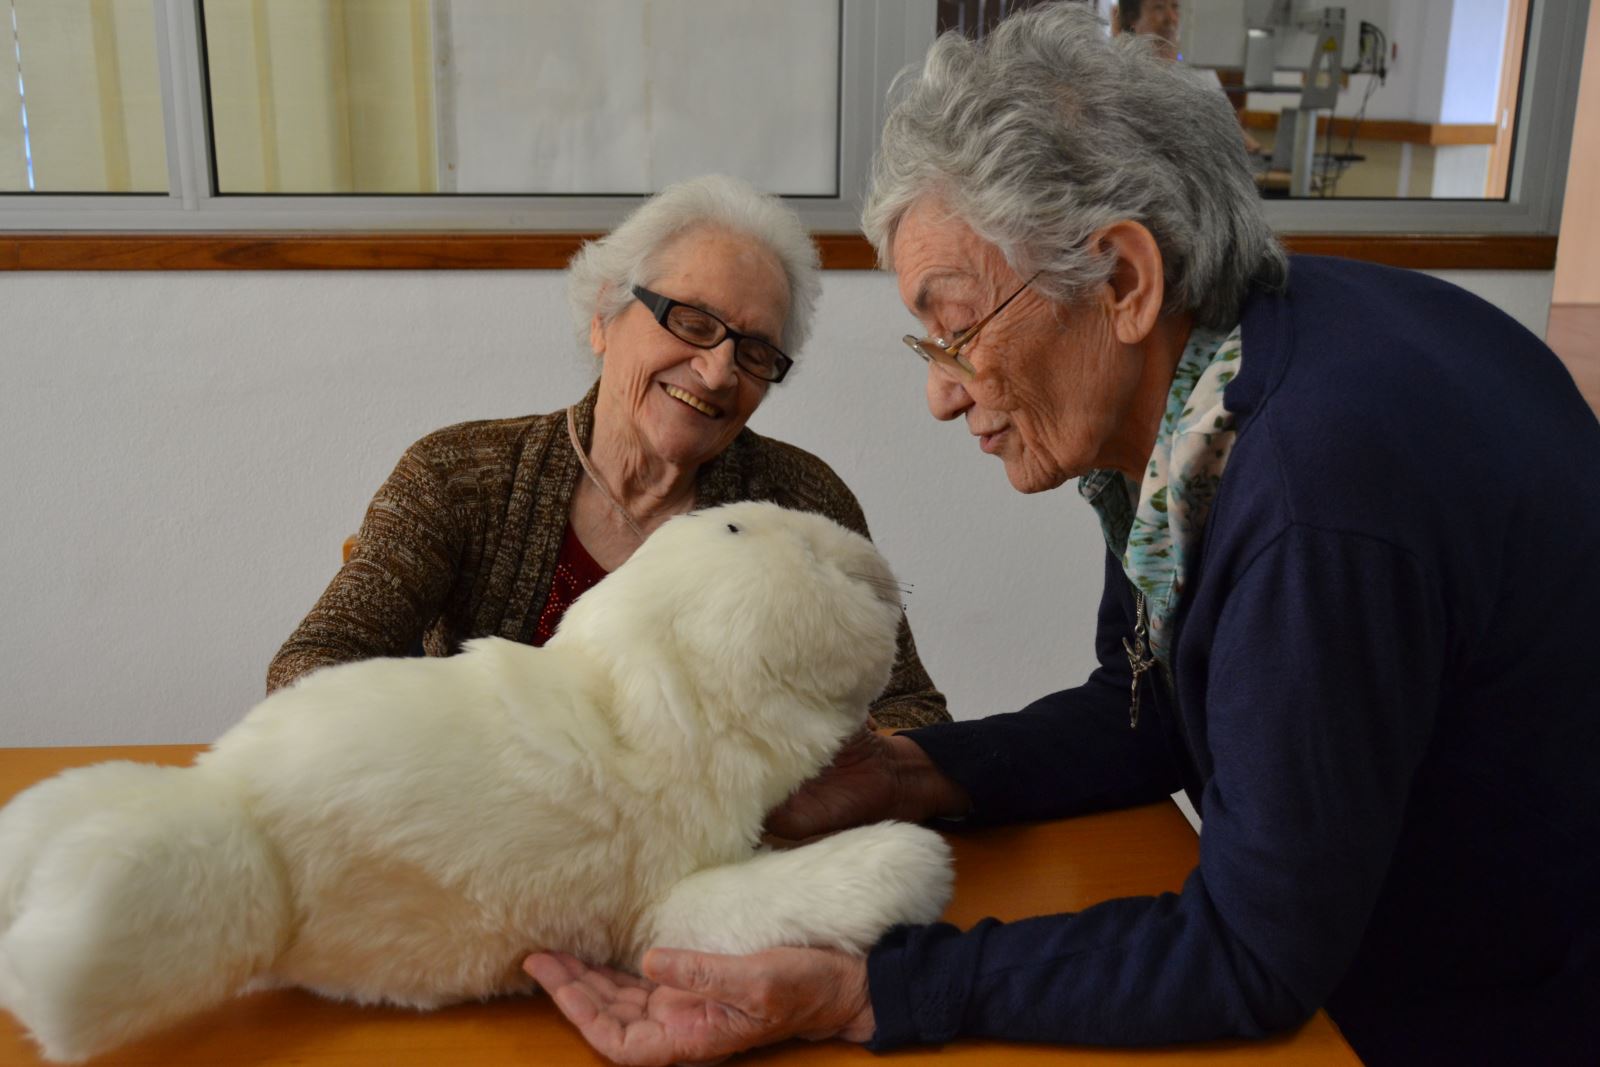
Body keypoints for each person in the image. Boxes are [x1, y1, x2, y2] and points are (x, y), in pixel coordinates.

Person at [524, 7, 1600, 1066]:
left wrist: (868, 992)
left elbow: (1255, 951)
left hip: (1483, 1008)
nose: (943, 396)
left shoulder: (1313, 493)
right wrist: (908, 774)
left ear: (1123, 279)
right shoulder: (1218, 386)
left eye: (957, 328)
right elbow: (1150, 707)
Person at [267, 174, 948, 730]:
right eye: (692, 321)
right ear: (604, 312)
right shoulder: (459, 478)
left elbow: (911, 711)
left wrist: (813, 771)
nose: (717, 372)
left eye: (754, 351)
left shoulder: (801, 504)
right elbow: (310, 666)